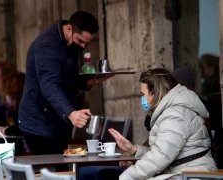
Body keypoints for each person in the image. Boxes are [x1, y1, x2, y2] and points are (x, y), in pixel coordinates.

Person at [79, 68, 217, 180]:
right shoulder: (172, 112)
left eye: (143, 94)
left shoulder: (175, 115)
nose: (142, 99)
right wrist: (134, 149)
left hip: (191, 175)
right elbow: (163, 152)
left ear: (156, 92)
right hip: (182, 172)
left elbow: (159, 158)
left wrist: (125, 177)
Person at [19, 11, 111, 156]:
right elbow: (49, 84)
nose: (83, 46)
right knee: (53, 172)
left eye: (87, 43)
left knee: (63, 168)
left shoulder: (67, 43)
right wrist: (70, 112)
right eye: (80, 41)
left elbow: (65, 79)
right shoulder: (47, 47)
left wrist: (90, 81)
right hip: (40, 124)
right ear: (69, 29)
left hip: (57, 122)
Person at [0, 72, 25, 136]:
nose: (6, 96)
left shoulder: (24, 110)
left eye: (8, 93)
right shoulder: (12, 110)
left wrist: (8, 130)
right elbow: (11, 123)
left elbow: (23, 129)